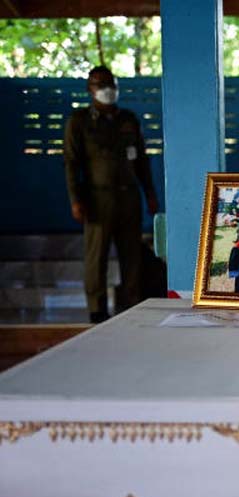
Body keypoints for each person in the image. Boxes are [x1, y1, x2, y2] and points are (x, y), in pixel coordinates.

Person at [64, 66, 158, 323]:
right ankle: (97, 309)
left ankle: (132, 306)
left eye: (111, 84)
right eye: (100, 84)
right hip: (97, 198)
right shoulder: (80, 122)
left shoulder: (128, 119)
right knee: (97, 256)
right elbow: (72, 163)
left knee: (132, 256)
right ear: (89, 89)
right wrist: (75, 199)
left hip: (129, 198)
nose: (107, 89)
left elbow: (142, 161)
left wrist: (149, 193)